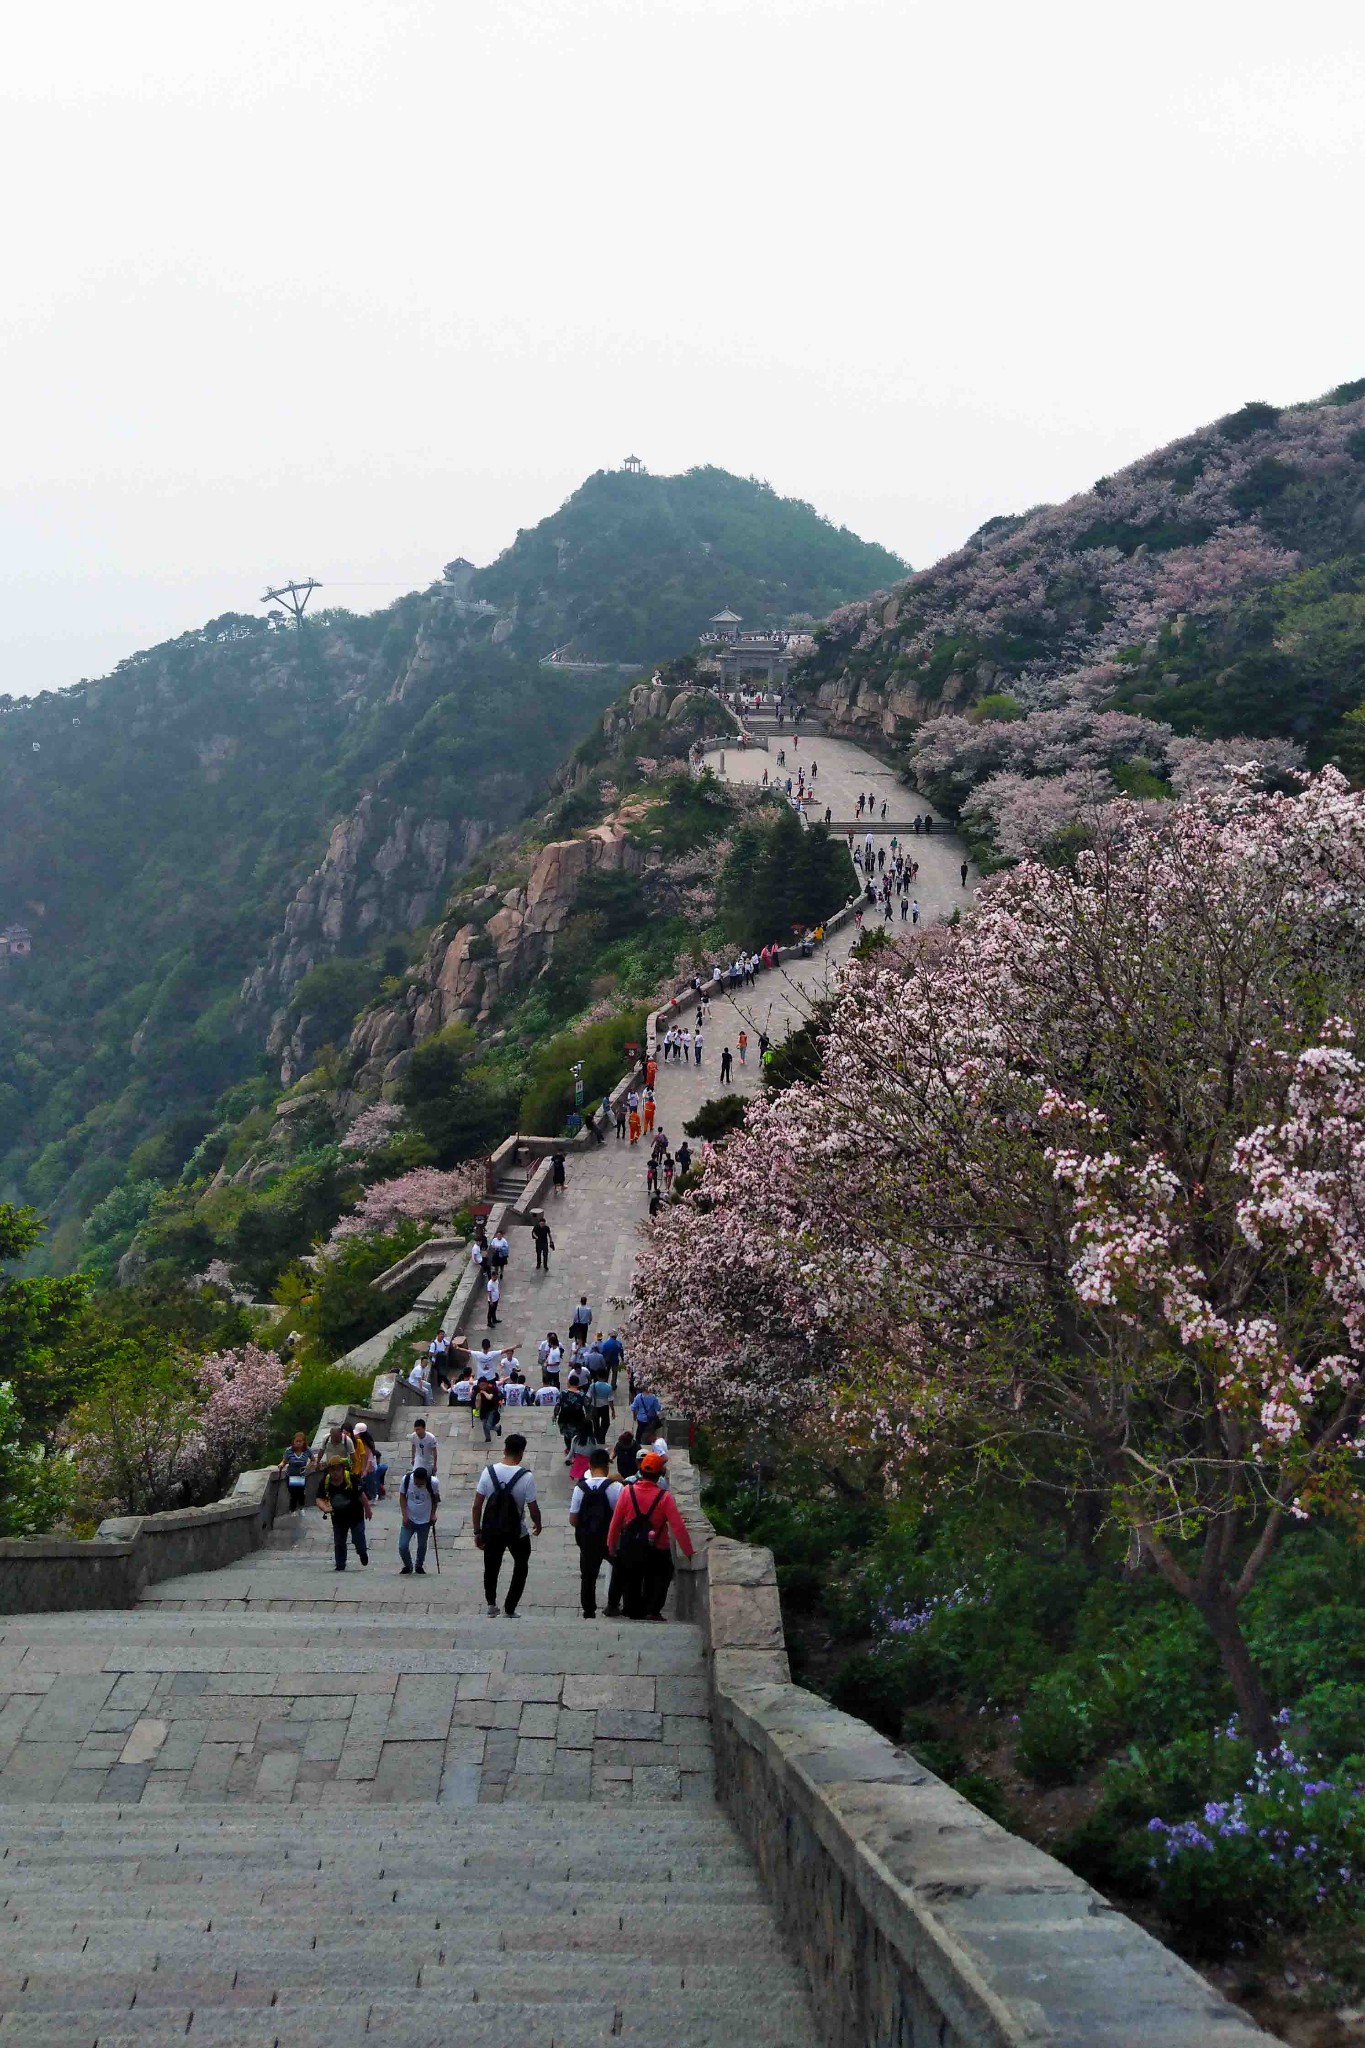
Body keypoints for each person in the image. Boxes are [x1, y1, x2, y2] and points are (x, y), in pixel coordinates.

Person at [606, 1451, 693, 1620]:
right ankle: (653, 1610)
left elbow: (615, 1523)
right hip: (657, 1547)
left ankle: (631, 1609)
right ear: (660, 1474)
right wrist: (688, 1552)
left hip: (631, 1546)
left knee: (632, 1576)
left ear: (641, 1470)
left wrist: (611, 1545)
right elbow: (678, 1527)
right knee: (663, 1574)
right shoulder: (665, 1497)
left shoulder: (627, 1492)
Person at [472, 1434, 541, 1618]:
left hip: (492, 1529)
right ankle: (510, 1607)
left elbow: (477, 1504)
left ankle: (491, 1605)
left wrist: (477, 1531)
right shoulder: (526, 1477)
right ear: (521, 1453)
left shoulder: (489, 1472)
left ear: (504, 1450)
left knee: (491, 1566)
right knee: (521, 1565)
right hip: (516, 1530)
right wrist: (538, 1523)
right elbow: (532, 1507)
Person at [570, 1449, 623, 1620]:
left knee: (588, 1576)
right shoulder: (616, 1488)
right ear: (607, 1466)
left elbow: (573, 1520)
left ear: (590, 1465)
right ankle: (613, 1605)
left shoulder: (580, 1488)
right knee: (620, 1569)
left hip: (588, 1540)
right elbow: (623, 1517)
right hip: (610, 1539)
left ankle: (588, 1610)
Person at [316, 1427, 370, 1572]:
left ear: (342, 1469)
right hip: (338, 1516)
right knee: (339, 1541)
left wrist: (368, 1509)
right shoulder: (326, 1481)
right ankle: (340, 1564)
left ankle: (362, 1552)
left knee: (358, 1537)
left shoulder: (350, 1479)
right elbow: (319, 1498)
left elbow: (361, 1495)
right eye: (333, 1470)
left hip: (355, 1514)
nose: (335, 1473)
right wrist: (325, 1508)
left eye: (338, 1469)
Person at [398, 1464, 438, 1574]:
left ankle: (419, 1565)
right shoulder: (406, 1480)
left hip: (425, 1519)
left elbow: (436, 1499)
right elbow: (402, 1497)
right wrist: (404, 1515)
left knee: (422, 1545)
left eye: (421, 1484)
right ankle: (408, 1565)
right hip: (409, 1518)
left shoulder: (433, 1483)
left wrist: (433, 1514)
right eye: (417, 1483)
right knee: (403, 1545)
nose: (419, 1485)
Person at [277, 1432, 313, 1512]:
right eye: (297, 1441)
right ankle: (292, 1509)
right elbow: (285, 1460)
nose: (298, 1443)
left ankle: (301, 1507)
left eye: (300, 1441)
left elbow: (313, 1460)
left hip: (301, 1475)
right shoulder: (289, 1451)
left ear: (304, 1442)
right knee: (293, 1493)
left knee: (300, 1492)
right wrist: (281, 1464)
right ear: (293, 1441)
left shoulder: (307, 1450)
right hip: (291, 1475)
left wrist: (307, 1467)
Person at [354, 1424, 387, 1502]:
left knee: (370, 1483)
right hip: (362, 1467)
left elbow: (370, 1458)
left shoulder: (367, 1444)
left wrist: (366, 1469)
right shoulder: (359, 1442)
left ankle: (374, 1496)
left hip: (369, 1468)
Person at [589, 1361, 615, 1444]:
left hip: (594, 1406)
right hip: (604, 1406)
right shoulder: (608, 1387)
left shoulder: (592, 1385)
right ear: (606, 1376)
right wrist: (613, 1410)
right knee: (606, 1423)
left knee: (595, 1423)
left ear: (597, 1375)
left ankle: (596, 1436)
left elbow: (589, 1397)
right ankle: (601, 1436)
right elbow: (610, 1400)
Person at [473, 1372, 502, 1445]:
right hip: (483, 1409)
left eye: (484, 1385)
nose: (482, 1386)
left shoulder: (492, 1388)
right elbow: (477, 1405)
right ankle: (488, 1438)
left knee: (488, 1425)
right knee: (484, 1425)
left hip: (492, 1408)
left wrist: (483, 1392)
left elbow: (489, 1397)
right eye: (481, 1385)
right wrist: (478, 1395)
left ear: (487, 1383)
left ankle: (497, 1428)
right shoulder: (477, 1389)